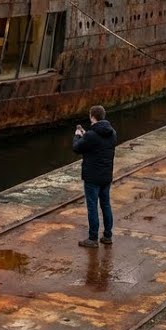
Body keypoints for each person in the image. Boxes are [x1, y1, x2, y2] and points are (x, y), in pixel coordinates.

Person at [73, 104, 117, 248]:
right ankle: (108, 236)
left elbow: (77, 148)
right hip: (106, 176)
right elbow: (99, 144)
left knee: (92, 207)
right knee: (106, 205)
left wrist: (77, 136)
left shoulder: (91, 135)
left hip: (92, 177)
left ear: (92, 117)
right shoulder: (112, 133)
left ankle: (93, 238)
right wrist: (86, 135)